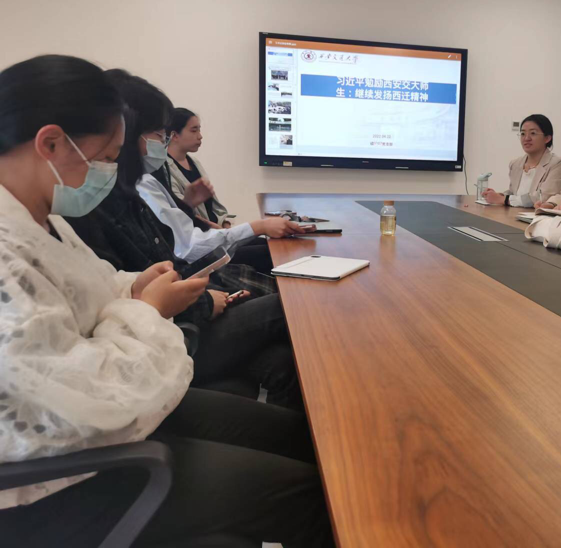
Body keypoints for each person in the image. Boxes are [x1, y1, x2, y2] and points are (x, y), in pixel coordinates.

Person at [0, 55, 332, 546]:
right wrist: (146, 308)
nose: (111, 170)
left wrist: (133, 287)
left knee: (300, 440)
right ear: (50, 144)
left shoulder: (42, 219)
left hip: (126, 416)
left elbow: (95, 286)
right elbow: (73, 399)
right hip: (60, 479)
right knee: (311, 496)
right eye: (107, 156)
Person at [65, 80, 302, 409]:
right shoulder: (103, 200)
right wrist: (202, 301)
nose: (162, 142)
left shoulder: (132, 189)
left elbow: (156, 265)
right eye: (161, 134)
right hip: (170, 333)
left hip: (176, 318)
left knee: (283, 360)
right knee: (289, 305)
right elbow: (174, 258)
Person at [105, 69, 310, 272]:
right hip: (196, 261)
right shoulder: (145, 180)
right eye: (160, 135)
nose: (200, 136)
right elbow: (186, 245)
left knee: (271, 250)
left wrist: (223, 223)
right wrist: (256, 227)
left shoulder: (175, 168)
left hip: (206, 247)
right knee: (271, 257)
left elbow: (183, 225)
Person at [481, 114, 561, 207]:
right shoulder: (515, 164)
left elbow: (544, 197)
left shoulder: (557, 163)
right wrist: (499, 195)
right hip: (513, 214)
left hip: (538, 214)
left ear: (547, 138)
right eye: (523, 134)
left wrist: (504, 199)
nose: (526, 138)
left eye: (533, 133)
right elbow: (514, 193)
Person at [166, 107, 231, 227]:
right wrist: (216, 230)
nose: (200, 136)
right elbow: (180, 212)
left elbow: (214, 207)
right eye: (194, 131)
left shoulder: (194, 162)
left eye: (199, 130)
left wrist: (225, 223)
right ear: (174, 135)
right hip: (199, 234)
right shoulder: (164, 169)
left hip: (216, 232)